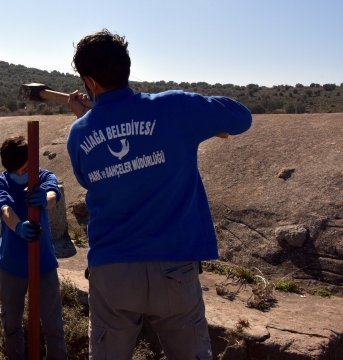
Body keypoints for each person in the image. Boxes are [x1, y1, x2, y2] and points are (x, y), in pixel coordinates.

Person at [66, 30, 252, 359]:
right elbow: (241, 117)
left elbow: (89, 178)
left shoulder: (80, 133)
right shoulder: (174, 107)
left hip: (112, 271)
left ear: (89, 82)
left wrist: (93, 118)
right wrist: (189, 107)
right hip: (174, 268)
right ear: (127, 68)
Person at [0, 136, 68, 360]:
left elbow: (53, 194)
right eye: (19, 171)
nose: (24, 174)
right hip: (12, 265)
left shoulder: (42, 176)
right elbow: (5, 208)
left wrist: (45, 199)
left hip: (43, 263)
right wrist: (18, 227)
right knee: (11, 325)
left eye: (27, 168)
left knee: (54, 326)